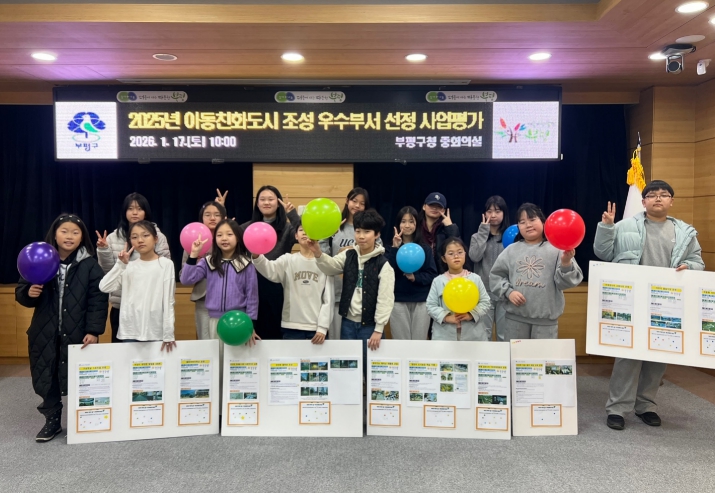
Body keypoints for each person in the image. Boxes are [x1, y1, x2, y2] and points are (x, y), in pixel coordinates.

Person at [594, 180, 704, 431]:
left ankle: (646, 406)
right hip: (632, 302)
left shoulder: (685, 232)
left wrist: (690, 266)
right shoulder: (624, 226)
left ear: (671, 201)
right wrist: (607, 227)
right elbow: (603, 253)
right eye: (652, 195)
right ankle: (617, 409)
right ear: (643, 202)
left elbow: (697, 261)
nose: (658, 198)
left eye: (664, 195)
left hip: (667, 304)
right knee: (627, 357)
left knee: (658, 356)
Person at [15, 214, 108, 442]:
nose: (69, 236)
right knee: (46, 376)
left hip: (78, 334)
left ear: (82, 237)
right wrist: (29, 293)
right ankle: (52, 421)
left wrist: (94, 331)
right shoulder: (40, 259)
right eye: (64, 231)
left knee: (79, 378)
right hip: (45, 333)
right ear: (54, 234)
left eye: (75, 232)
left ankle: (81, 421)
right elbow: (22, 292)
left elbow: (98, 301)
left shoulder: (90, 265)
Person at [180, 219, 260, 406]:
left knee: (236, 365)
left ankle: (235, 406)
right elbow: (186, 279)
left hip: (239, 323)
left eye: (229, 234)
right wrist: (193, 255)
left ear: (238, 238)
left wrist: (250, 326)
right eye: (219, 235)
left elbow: (252, 296)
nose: (224, 238)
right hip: (215, 321)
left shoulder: (246, 263)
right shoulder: (208, 261)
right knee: (216, 364)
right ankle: (216, 408)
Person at [309, 209, 395, 376]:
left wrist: (379, 329)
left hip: (370, 326)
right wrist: (318, 253)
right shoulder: (349, 255)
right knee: (348, 368)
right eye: (358, 231)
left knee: (372, 370)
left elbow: (385, 299)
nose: (361, 236)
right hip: (348, 322)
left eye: (367, 232)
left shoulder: (383, 264)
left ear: (377, 234)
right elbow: (331, 267)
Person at [490, 202, 583, 340]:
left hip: (546, 323)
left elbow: (566, 283)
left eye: (532, 219)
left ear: (544, 222)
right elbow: (495, 276)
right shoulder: (511, 250)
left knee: (542, 354)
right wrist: (509, 292)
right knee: (516, 353)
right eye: (522, 222)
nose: (528, 225)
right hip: (514, 320)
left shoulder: (557, 248)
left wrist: (565, 263)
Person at [96, 193, 171, 342]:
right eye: (130, 209)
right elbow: (108, 273)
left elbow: (164, 271)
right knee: (122, 350)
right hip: (122, 305)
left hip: (150, 306)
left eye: (139, 209)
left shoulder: (158, 237)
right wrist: (104, 251)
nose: (135, 212)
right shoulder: (112, 238)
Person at [252, 221, 334, 343]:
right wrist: (257, 256)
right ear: (296, 236)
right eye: (301, 230)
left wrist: (322, 327)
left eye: (309, 230)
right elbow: (270, 270)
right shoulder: (288, 260)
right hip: (291, 326)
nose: (305, 233)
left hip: (316, 329)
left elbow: (329, 298)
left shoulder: (325, 262)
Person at [319, 187, 382, 340]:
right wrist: (327, 235)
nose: (357, 206)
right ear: (347, 201)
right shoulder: (336, 226)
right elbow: (324, 256)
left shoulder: (369, 227)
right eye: (354, 201)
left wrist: (351, 250)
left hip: (361, 295)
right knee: (337, 340)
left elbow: (379, 251)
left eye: (362, 203)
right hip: (337, 290)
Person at [241, 185, 299, 340]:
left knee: (276, 331)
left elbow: (304, 234)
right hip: (252, 285)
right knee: (254, 331)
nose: (266, 202)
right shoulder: (246, 228)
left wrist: (292, 215)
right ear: (257, 203)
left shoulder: (287, 228)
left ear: (278, 203)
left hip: (278, 286)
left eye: (271, 199)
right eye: (262, 199)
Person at [385, 206, 437, 340]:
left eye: (411, 221)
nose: (407, 225)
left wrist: (416, 277)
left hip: (421, 301)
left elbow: (432, 274)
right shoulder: (390, 248)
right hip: (398, 300)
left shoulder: (424, 248)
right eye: (403, 221)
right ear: (398, 224)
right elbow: (387, 273)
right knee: (401, 342)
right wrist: (395, 248)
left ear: (417, 225)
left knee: (419, 342)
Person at [426, 237, 491, 341]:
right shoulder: (438, 281)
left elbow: (485, 302)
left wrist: (471, 315)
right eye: (451, 253)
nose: (456, 256)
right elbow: (430, 305)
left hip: (473, 334)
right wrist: (446, 317)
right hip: (444, 334)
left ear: (465, 254)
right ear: (444, 258)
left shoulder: (475, 279)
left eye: (460, 252)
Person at [180, 199, 227, 340]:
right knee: (205, 341)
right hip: (204, 300)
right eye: (207, 215)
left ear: (223, 218)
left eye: (217, 215)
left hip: (229, 299)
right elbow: (184, 277)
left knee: (228, 341)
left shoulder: (230, 240)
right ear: (201, 218)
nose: (212, 218)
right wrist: (194, 261)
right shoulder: (192, 241)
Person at [469, 195, 510, 341]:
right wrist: (483, 232)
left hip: (505, 292)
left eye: (497, 211)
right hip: (483, 293)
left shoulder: (511, 237)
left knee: (504, 335)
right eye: (489, 211)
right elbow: (474, 256)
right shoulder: (477, 236)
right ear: (484, 213)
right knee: (483, 334)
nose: (493, 215)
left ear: (504, 213)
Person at [417, 192, 461, 274]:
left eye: (439, 207)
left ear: (443, 210)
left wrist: (450, 227)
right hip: (420, 273)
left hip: (442, 274)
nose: (435, 208)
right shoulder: (415, 226)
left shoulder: (446, 228)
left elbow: (457, 248)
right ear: (424, 206)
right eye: (431, 205)